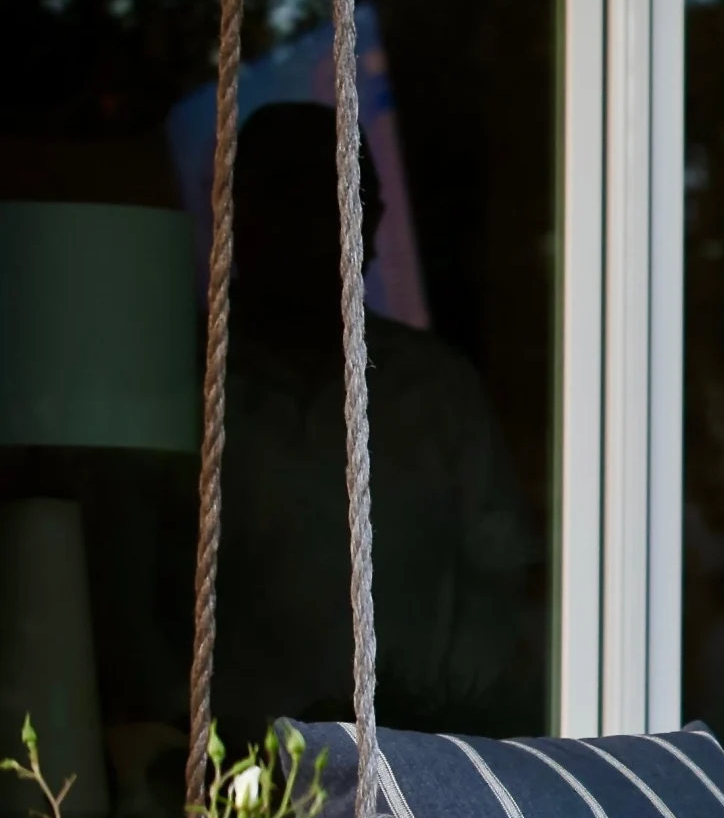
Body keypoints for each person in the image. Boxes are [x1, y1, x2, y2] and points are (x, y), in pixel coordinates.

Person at [211, 100, 537, 751]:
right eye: (292, 196)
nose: (317, 224)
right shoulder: (180, 380)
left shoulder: (437, 389)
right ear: (238, 213)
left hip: (404, 767)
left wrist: (441, 741)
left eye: (346, 201)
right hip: (219, 776)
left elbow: (498, 589)